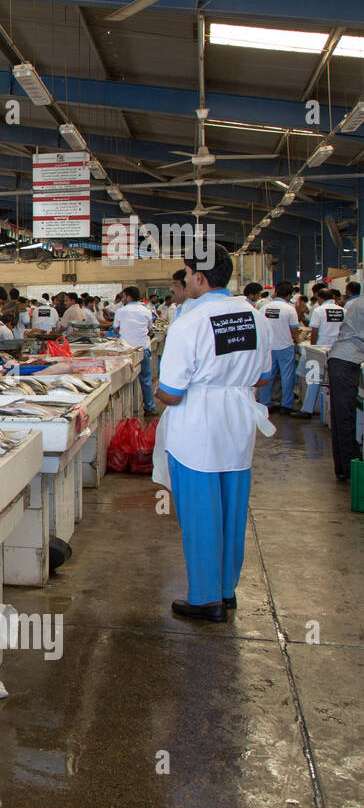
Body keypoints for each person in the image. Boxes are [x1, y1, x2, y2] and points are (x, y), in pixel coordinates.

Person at [153, 247, 273, 623]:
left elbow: (171, 392)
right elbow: (264, 377)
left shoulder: (189, 322)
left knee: (201, 514)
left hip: (197, 430)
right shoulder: (255, 317)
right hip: (238, 424)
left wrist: (159, 392)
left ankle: (206, 600)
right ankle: (225, 589)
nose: (185, 280)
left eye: (187, 274)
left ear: (198, 277)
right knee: (233, 511)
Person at [325, 295, 364, 481]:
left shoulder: (358, 303)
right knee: (346, 417)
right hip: (345, 362)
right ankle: (350, 468)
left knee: (342, 416)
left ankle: (343, 467)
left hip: (343, 361)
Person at [292, 287, 347, 419]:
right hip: (338, 348)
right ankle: (336, 412)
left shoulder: (319, 310)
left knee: (313, 379)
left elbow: (315, 331)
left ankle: (307, 409)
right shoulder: (343, 311)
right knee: (335, 381)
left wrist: (313, 347)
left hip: (320, 348)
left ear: (320, 298)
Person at [113, 286, 157, 413]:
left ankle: (125, 411)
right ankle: (149, 407)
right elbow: (150, 329)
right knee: (146, 379)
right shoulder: (146, 310)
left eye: (124, 296)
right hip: (142, 348)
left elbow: (116, 329)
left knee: (123, 380)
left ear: (127, 296)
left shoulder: (121, 311)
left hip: (125, 351)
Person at [257, 281, 298, 414]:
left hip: (269, 347)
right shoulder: (290, 309)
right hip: (285, 346)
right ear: (289, 295)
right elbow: (294, 330)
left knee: (268, 376)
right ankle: (286, 405)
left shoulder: (265, 308)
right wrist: (296, 341)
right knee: (287, 377)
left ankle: (265, 404)